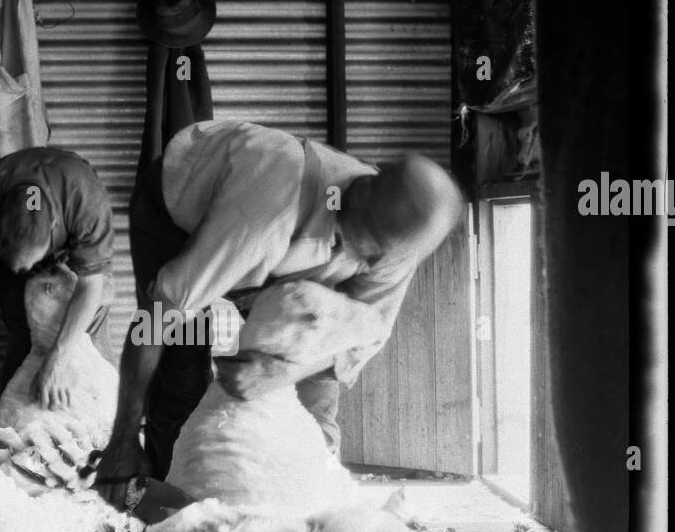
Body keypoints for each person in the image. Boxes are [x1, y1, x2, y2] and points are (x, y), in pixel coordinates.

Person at [94, 119, 464, 509]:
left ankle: (305, 506)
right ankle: (158, 497)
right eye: (363, 244)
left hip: (296, 239)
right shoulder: (266, 211)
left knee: (315, 399)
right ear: (366, 189)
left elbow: (363, 332)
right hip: (184, 205)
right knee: (181, 366)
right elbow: (159, 314)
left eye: (374, 254)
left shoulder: (395, 239)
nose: (367, 259)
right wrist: (121, 437)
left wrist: (282, 371)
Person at [0, 146, 115, 444]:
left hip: (76, 254)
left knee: (88, 351)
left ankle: (99, 444)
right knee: (23, 345)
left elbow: (91, 285)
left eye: (27, 260)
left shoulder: (85, 197)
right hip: (14, 227)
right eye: (12, 259)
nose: (21, 267)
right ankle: (19, 443)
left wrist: (58, 360)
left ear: (52, 230)